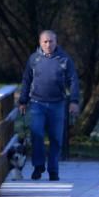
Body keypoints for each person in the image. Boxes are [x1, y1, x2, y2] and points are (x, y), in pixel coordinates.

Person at [18, 30, 81, 181]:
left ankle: (53, 170)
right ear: (40, 43)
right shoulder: (34, 59)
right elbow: (26, 80)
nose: (48, 44)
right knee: (37, 135)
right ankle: (38, 167)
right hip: (37, 104)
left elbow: (73, 80)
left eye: (51, 41)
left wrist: (74, 101)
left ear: (56, 42)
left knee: (56, 139)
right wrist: (22, 100)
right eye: (45, 41)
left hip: (58, 104)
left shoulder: (64, 59)